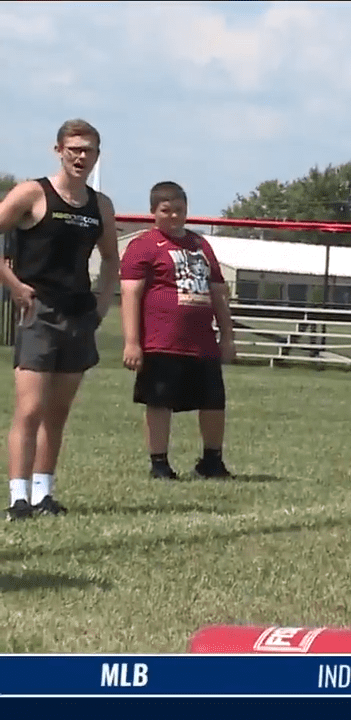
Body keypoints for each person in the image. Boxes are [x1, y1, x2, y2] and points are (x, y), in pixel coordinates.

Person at [0, 119, 120, 521]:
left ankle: (43, 492)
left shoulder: (99, 206)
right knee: (30, 410)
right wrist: (15, 286)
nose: (81, 156)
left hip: (78, 315)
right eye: (74, 149)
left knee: (58, 413)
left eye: (88, 150)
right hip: (39, 312)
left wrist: (102, 304)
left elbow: (110, 260)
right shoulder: (32, 193)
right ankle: (18, 498)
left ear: (98, 155)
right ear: (59, 151)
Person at [119, 181, 236, 480]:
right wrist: (132, 342)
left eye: (179, 210)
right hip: (161, 341)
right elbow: (131, 295)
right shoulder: (143, 246)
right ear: (153, 212)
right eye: (166, 211)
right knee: (160, 403)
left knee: (213, 401)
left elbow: (218, 293)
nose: (173, 217)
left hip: (202, 342)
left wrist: (227, 336)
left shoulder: (201, 245)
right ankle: (159, 463)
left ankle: (212, 461)